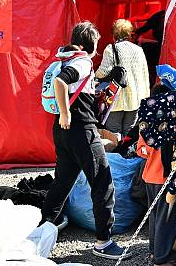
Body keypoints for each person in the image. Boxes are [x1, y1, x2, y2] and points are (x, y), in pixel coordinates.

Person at [41, 22, 130, 260]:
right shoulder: (81, 61)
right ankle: (103, 241)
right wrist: (65, 112)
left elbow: (79, 90)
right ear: (88, 44)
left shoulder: (65, 58)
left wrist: (110, 81)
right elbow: (61, 82)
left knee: (62, 183)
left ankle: (40, 232)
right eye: (96, 44)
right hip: (81, 130)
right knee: (102, 183)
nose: (97, 49)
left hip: (63, 132)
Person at [136, 83, 176, 266]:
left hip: (149, 176)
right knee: (165, 219)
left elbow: (140, 151)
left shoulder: (147, 121)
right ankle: (162, 258)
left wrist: (152, 152)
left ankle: (154, 252)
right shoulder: (172, 123)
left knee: (154, 216)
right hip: (164, 178)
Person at [96, 19, 150, 136]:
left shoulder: (111, 49)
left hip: (116, 99)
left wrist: (95, 77)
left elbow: (103, 71)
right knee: (129, 135)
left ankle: (113, 154)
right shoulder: (139, 50)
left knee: (113, 134)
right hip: (136, 99)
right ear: (129, 33)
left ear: (114, 34)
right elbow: (145, 74)